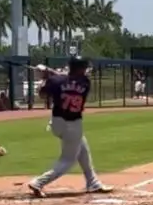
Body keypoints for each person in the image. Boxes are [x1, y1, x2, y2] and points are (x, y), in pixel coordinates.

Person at [27, 57, 113, 196]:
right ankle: (39, 182)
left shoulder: (55, 81)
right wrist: (50, 73)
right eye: (84, 67)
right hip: (73, 124)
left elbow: (43, 94)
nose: (86, 70)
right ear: (80, 69)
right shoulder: (85, 83)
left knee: (82, 146)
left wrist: (45, 77)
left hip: (56, 123)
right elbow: (68, 79)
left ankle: (93, 182)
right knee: (68, 159)